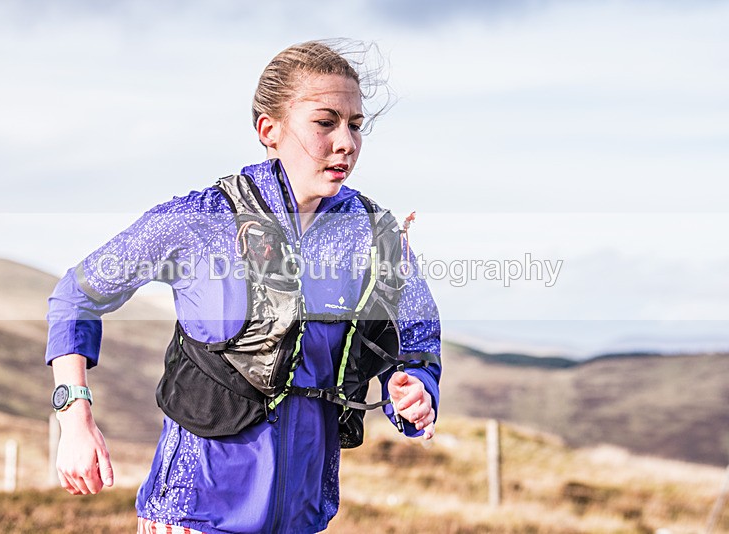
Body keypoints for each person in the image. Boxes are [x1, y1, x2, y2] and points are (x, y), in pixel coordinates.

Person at [45, 39, 441, 534]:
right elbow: (75, 297)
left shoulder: (376, 235)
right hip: (192, 517)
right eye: (325, 122)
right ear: (268, 130)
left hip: (303, 519)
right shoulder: (198, 220)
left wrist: (418, 391)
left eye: (356, 125)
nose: (346, 142)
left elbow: (419, 337)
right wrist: (74, 417)